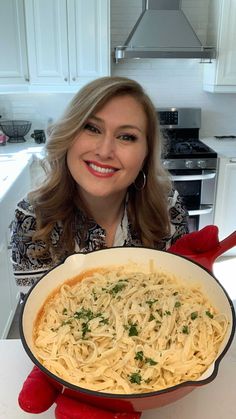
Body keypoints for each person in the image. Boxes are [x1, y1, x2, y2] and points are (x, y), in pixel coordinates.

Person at [10, 76, 189, 290]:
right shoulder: (33, 220)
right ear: (69, 134)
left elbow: (180, 295)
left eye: (127, 137)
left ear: (145, 155)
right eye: (92, 128)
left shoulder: (167, 209)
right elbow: (38, 315)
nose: (104, 152)